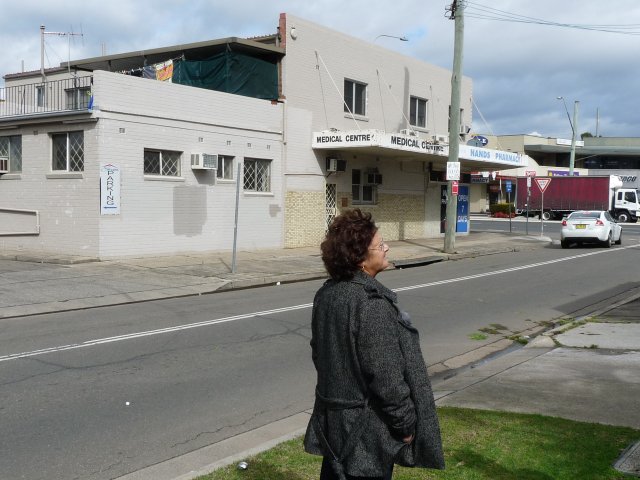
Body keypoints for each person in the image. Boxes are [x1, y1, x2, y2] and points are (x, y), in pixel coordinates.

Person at [304, 209, 445, 480]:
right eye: (380, 245)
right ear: (359, 258)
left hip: (334, 428)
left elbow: (319, 356)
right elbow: (387, 378)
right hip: (365, 435)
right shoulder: (371, 305)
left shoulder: (327, 294)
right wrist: (405, 425)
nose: (387, 248)